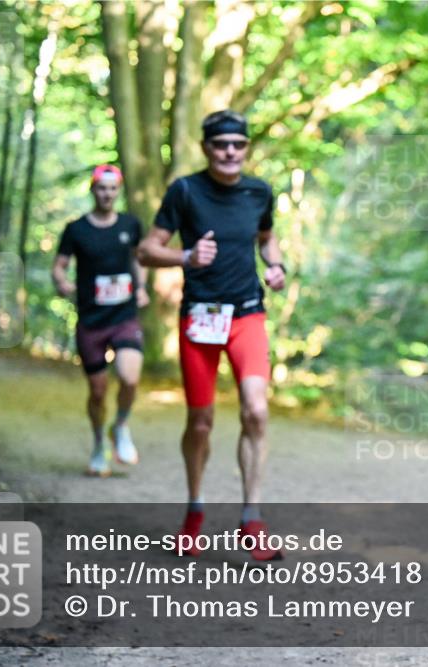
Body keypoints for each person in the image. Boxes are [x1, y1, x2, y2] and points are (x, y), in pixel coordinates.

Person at [138, 110, 286, 561]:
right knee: (200, 422)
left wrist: (276, 265)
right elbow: (146, 250)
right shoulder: (185, 190)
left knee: (256, 411)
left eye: (237, 144)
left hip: (247, 314)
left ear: (246, 148)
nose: (229, 152)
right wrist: (185, 256)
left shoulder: (259, 192)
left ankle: (251, 518)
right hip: (200, 317)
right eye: (220, 144)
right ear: (206, 148)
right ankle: (195, 512)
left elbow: (267, 238)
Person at [52, 164, 149, 477]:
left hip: (124, 316)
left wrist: (143, 287)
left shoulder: (131, 224)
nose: (107, 193)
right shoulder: (76, 229)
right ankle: (98, 444)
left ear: (118, 191)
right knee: (97, 391)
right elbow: (60, 265)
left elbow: (138, 258)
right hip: (91, 320)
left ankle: (120, 426)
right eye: (101, 188)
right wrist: (62, 283)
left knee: (130, 377)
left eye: (112, 188)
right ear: (93, 190)